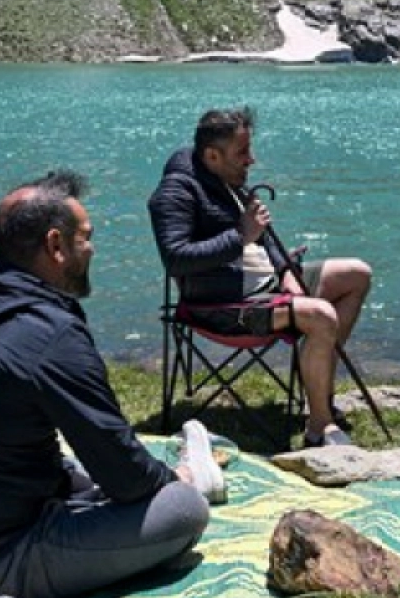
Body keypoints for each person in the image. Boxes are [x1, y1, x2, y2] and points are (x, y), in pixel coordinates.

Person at [0, 170, 223, 598]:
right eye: (86, 237)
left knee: (78, 472)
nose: (92, 248)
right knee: (183, 509)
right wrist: (173, 482)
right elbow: (123, 471)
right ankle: (190, 475)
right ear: (56, 246)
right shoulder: (50, 333)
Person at [148, 107, 371, 448]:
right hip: (227, 306)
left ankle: (319, 383)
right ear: (212, 155)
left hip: (268, 287)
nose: (251, 160)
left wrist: (288, 274)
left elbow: (265, 236)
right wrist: (240, 236)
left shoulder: (227, 178)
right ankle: (319, 426)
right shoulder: (175, 193)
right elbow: (176, 259)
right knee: (322, 315)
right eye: (242, 152)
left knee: (356, 274)